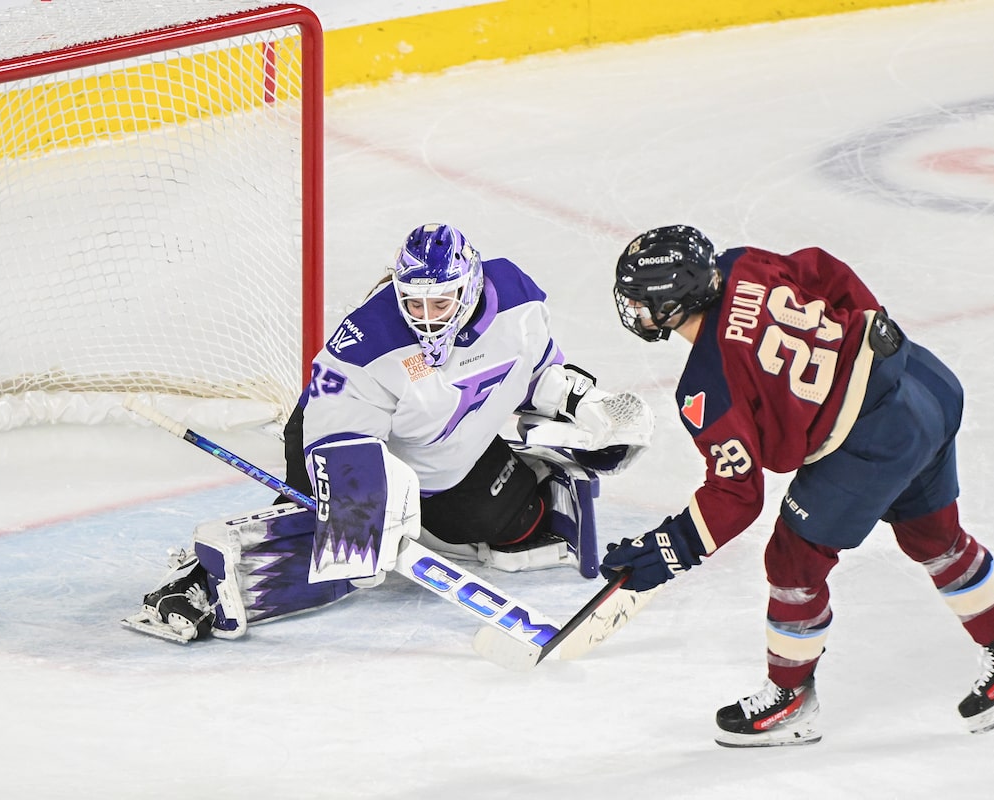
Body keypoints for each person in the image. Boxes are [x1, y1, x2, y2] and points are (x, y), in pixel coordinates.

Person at [601, 224, 994, 746]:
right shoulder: (742, 263)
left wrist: (668, 549)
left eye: (641, 299)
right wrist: (865, 341)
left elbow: (737, 495)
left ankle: (789, 700)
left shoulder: (706, 386)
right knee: (933, 536)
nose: (634, 309)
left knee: (793, 561)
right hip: (925, 383)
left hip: (875, 443)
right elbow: (823, 267)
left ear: (672, 303)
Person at [125, 223, 654, 644]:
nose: (424, 318)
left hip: (453, 451)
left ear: (469, 288)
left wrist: (588, 404)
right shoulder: (365, 343)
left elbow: (537, 371)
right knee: (347, 551)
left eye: (440, 303)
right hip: (345, 446)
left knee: (511, 525)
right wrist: (365, 504)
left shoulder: (515, 297)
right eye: (413, 303)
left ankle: (462, 504)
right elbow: (334, 437)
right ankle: (201, 582)